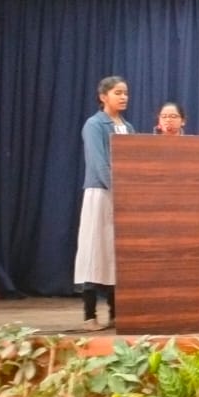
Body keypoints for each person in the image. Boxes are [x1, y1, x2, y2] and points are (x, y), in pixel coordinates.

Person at [75, 75, 135, 330]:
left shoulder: (129, 127)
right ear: (103, 96)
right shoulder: (94, 124)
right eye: (118, 93)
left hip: (124, 195)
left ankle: (116, 312)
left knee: (116, 253)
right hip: (101, 194)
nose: (123, 97)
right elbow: (99, 163)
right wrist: (118, 189)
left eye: (125, 93)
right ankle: (90, 314)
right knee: (94, 250)